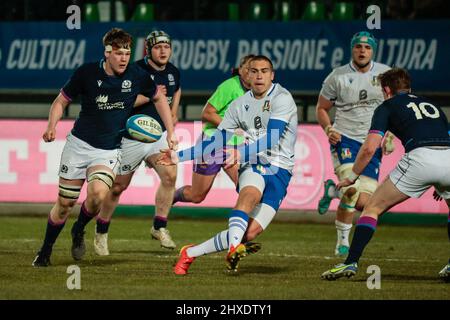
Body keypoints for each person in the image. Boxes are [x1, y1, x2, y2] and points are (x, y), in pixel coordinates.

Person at [32, 28, 177, 267]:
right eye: (118, 53)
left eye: (127, 53)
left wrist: (170, 131)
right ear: (107, 52)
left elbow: (159, 98)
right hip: (78, 146)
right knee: (65, 204)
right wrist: (51, 126)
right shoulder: (87, 73)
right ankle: (45, 250)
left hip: (108, 150)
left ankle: (79, 229)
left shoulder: (137, 75)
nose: (123, 58)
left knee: (98, 195)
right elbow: (61, 101)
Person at [158, 55, 298, 275]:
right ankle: (233, 250)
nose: (259, 75)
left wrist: (238, 151)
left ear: (272, 75)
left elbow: (271, 138)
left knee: (250, 233)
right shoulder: (238, 105)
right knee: (248, 196)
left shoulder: (282, 98)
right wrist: (178, 156)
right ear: (247, 75)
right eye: (254, 71)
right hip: (254, 163)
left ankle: (190, 253)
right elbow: (216, 142)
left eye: (264, 71)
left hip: (281, 170)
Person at [321, 68, 450, 281]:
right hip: (448, 158)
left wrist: (353, 176)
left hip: (421, 158)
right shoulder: (432, 104)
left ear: (387, 89)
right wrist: (441, 183)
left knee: (372, 207)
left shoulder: (387, 106)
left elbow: (370, 148)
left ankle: (350, 262)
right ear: (409, 87)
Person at [93, 30, 181, 255]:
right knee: (117, 187)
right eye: (158, 47)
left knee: (170, 176)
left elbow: (176, 90)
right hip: (130, 137)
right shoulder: (136, 71)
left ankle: (159, 226)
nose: (163, 51)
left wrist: (172, 112)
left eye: (167, 47)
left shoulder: (173, 72)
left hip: (156, 136)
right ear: (148, 50)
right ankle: (101, 230)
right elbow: (120, 103)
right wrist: (151, 96)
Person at [315, 31, 394, 257]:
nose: (362, 51)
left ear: (373, 51)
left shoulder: (385, 74)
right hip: (345, 138)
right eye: (358, 46)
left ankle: (331, 190)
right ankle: (342, 243)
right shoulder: (337, 76)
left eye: (367, 47)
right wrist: (329, 128)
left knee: (365, 204)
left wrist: (389, 136)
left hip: (373, 142)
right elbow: (321, 108)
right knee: (350, 190)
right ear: (352, 49)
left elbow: (395, 108)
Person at [172, 54, 254, 205]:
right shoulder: (229, 86)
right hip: (212, 143)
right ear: (241, 70)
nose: (252, 73)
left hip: (236, 146)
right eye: (248, 69)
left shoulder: (259, 92)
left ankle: (240, 226)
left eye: (255, 70)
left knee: (248, 188)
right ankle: (170, 196)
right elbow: (207, 113)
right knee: (196, 196)